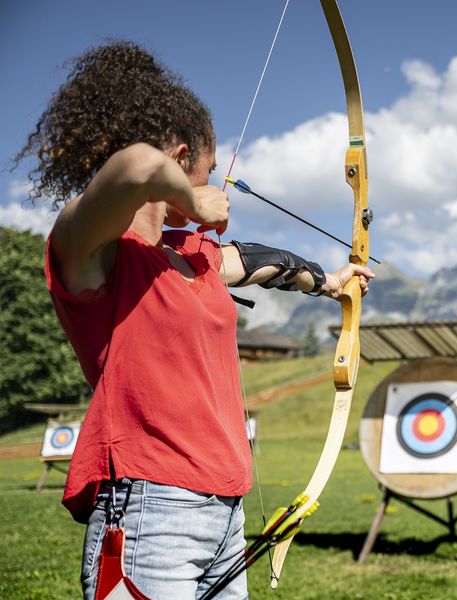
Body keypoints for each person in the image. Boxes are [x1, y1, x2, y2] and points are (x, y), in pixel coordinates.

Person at [15, 40, 374, 599]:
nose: (218, 181)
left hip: (225, 512)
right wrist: (197, 201)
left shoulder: (195, 259)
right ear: (184, 158)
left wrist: (333, 283)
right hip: (149, 511)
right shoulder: (94, 252)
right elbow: (137, 166)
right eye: (211, 166)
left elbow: (262, 263)